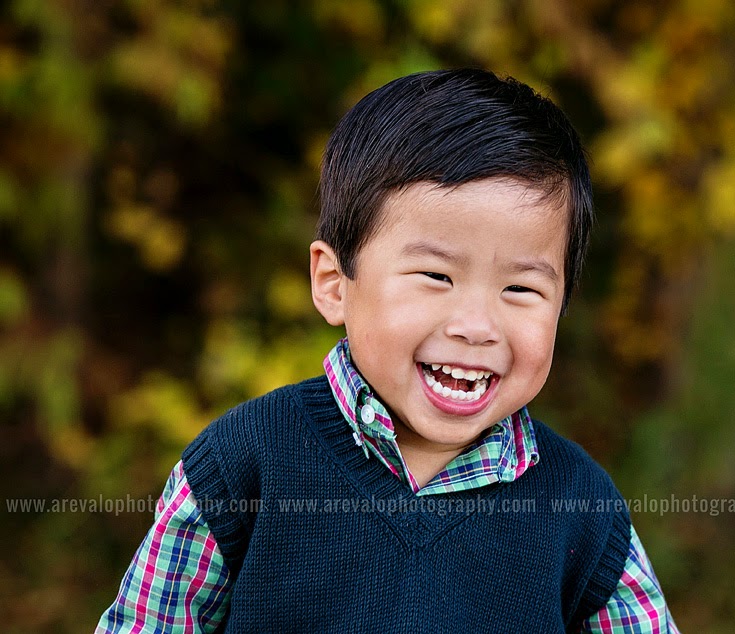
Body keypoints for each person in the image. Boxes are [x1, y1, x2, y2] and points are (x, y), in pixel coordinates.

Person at [96, 68, 678, 633]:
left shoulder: (580, 509)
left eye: (521, 289)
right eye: (436, 276)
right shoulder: (245, 465)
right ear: (334, 284)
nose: (477, 327)